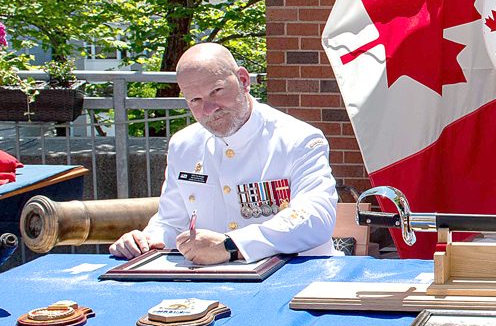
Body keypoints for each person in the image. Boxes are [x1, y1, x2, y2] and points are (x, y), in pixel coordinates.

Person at [109, 43, 338, 265]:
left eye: (216, 91)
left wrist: (232, 245)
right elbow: (172, 223)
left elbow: (316, 217)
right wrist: (144, 240)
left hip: (292, 277)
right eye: (195, 100)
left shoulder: (298, 139)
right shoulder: (184, 145)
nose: (209, 109)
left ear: (243, 80)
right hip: (211, 280)